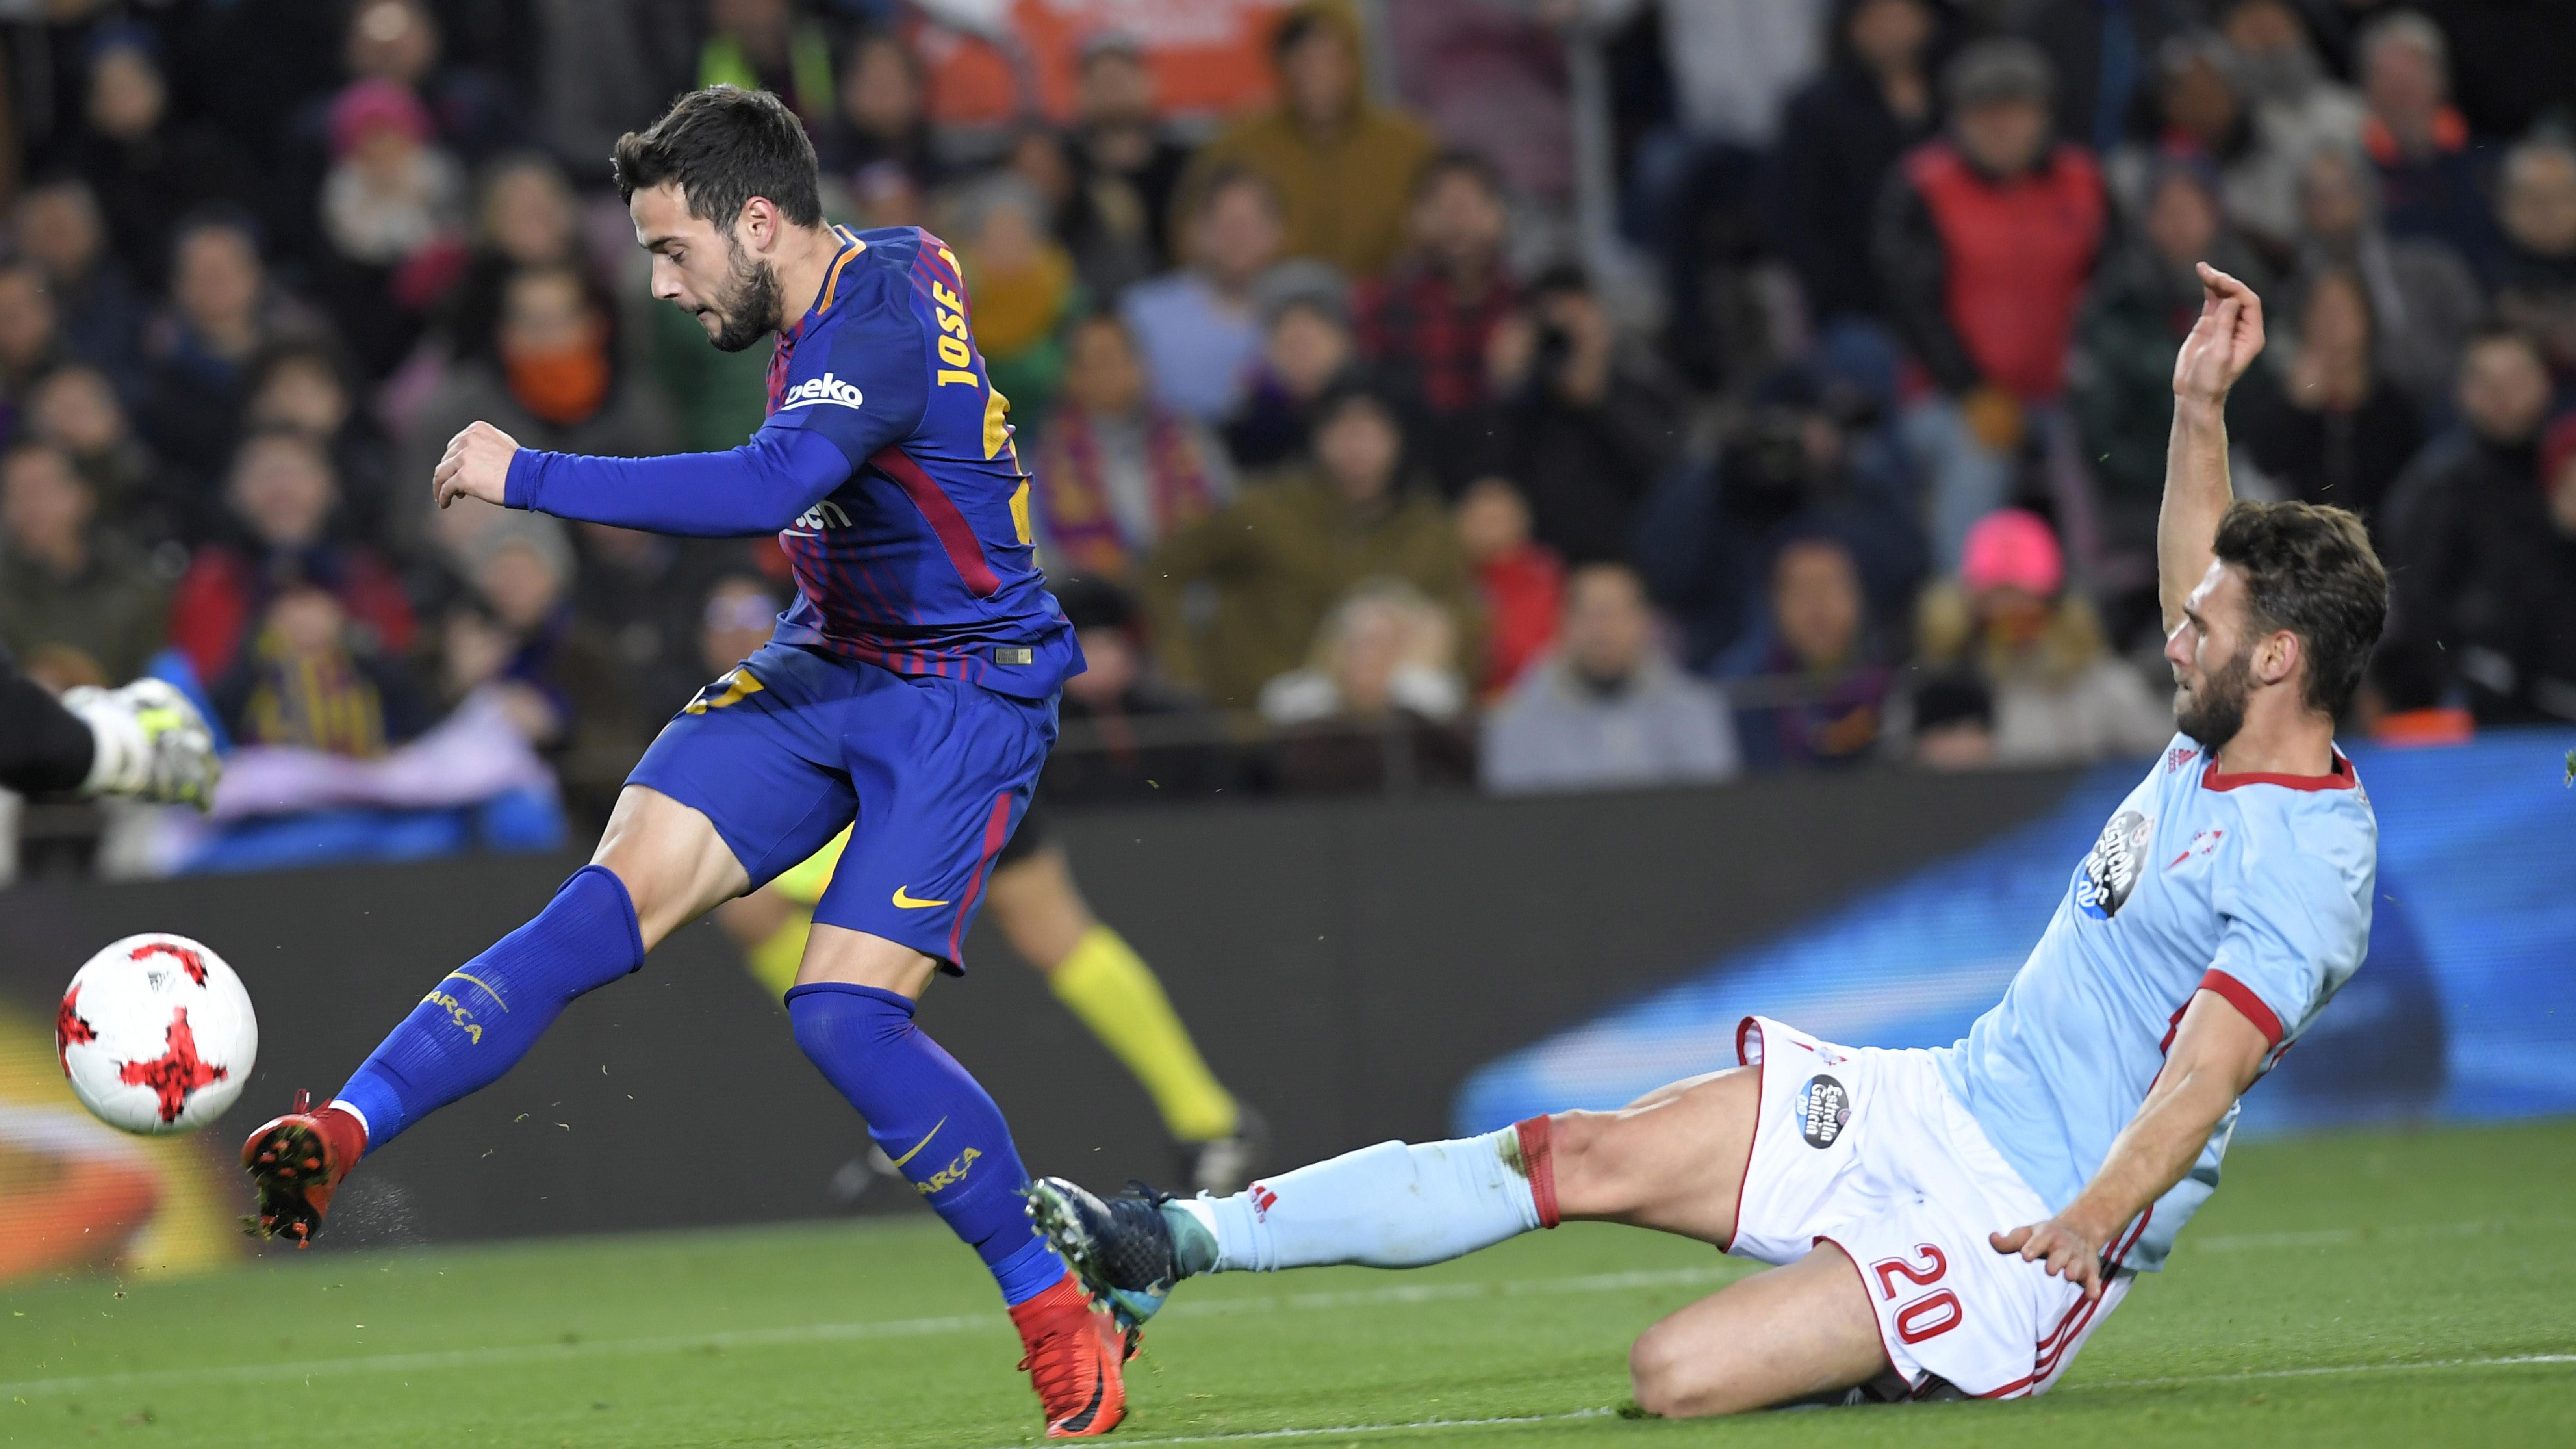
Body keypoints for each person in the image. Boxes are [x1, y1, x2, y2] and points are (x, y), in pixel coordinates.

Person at [1030, 264, 2392, 1417]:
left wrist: (2085, 1231)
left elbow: (2198, 1081)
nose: (2172, 629)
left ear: (2276, 660)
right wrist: (2195, 404)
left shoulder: (2305, 871)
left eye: (2202, 627)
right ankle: (1175, 1238)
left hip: (2021, 1229)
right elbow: (2190, 568)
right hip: (1935, 1103)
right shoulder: (2215, 719)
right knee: (1573, 1150)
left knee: (1671, 1375)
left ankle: (1897, 1357)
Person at [229, 88, 1131, 1437]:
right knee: (600, 906)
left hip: (960, 698)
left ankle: (1053, 1305)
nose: (657, 286)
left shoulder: (874, 323)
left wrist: (528, 473)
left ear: (757, 219)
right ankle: (346, 1130)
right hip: (830, 660)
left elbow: (765, 492)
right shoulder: (875, 268)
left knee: (837, 1014)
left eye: (672, 250)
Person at [1875, 39, 2105, 568]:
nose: (2002, 127)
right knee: (1976, 458)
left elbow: (2112, 285)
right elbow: (1911, 308)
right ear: (1958, 121)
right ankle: (1959, 611)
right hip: (1952, 396)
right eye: (1985, 113)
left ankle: (2103, 607)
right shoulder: (1923, 188)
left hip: (2068, 391)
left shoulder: (2085, 181)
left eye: (2016, 111)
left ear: (2044, 115)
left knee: (2100, 453)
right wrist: (1973, 390)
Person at [1144, 377, 1480, 709]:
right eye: (1342, 428)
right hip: (1257, 730)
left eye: (1373, 430)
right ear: (1317, 435)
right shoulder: (1264, 509)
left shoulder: (1431, 531)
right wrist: (1183, 673)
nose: (1356, 446)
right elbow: (1163, 572)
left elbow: (1463, 623)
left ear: (1404, 439)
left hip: (1386, 736)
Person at [1178, 1, 1437, 279]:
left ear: (1358, 61)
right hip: (1262, 309)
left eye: (1333, 57)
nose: (1319, 73)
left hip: (1388, 309)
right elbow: (1189, 235)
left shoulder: (1409, 144)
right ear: (1281, 65)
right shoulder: (1240, 143)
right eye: (1304, 59)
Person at [1914, 508, 2172, 766]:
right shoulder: (1938, 684)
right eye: (1996, 596)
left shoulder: (2102, 683)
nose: (2011, 611)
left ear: (2054, 603)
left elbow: (2165, 761)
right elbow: (1893, 769)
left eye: (2025, 596)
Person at [1480, 563, 1738, 795]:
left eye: (1617, 613)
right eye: (1589, 614)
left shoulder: (1696, 710)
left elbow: (1711, 814)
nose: (1603, 630)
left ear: (1645, 622)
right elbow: (1515, 828)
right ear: (1562, 622)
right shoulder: (1515, 721)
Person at [1032, 312, 1235, 586]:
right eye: (1098, 361)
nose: (1111, 371)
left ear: (1142, 367)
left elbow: (1229, 520)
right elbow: (1042, 557)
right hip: (1094, 603)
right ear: (1073, 377)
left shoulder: (1190, 437)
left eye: (1120, 357)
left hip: (1194, 591)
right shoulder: (1046, 456)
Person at [1120, 166, 1283, 424]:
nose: (1239, 239)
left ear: (1276, 233)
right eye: (1227, 225)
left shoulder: (1299, 313)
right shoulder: (1142, 311)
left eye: (1249, 225)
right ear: (1198, 231)